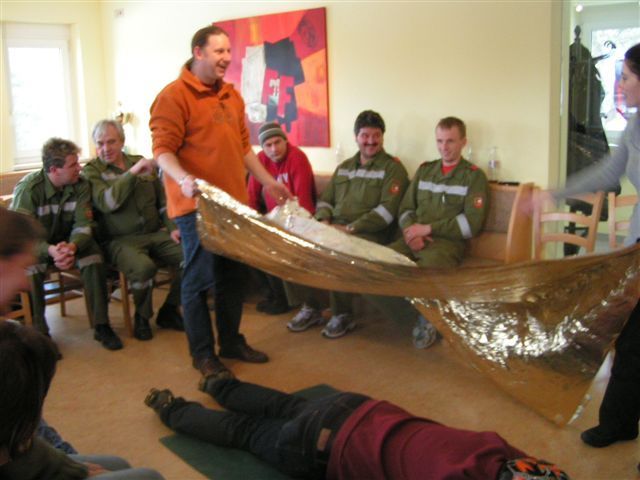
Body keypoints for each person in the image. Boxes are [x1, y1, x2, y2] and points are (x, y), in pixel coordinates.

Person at [149, 25, 291, 385]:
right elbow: (162, 151)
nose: (227, 58)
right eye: (219, 51)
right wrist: (183, 178)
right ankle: (203, 355)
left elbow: (244, 148)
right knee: (199, 281)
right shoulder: (173, 96)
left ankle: (230, 342)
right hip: (195, 207)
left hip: (232, 206)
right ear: (198, 52)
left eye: (229, 51)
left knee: (233, 278)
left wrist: (269, 181)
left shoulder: (231, 95)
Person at [0, 208, 163, 479]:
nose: (25, 283)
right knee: (148, 477)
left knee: (117, 464)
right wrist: (70, 470)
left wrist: (67, 462)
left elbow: (26, 429)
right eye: (21, 267)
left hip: (22, 458)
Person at [144, 378, 569, 480]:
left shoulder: (496, 448)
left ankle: (219, 384)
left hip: (359, 408)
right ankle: (170, 408)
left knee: (283, 404)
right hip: (326, 445)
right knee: (248, 432)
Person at [548, 43, 640, 449]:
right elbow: (609, 170)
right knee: (631, 340)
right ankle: (620, 422)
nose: (620, 84)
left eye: (627, 77)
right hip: (637, 249)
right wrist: (556, 192)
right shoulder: (635, 126)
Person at [365, 117, 489, 349]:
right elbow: (405, 209)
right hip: (412, 237)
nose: (444, 147)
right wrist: (412, 233)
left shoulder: (473, 176)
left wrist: (429, 229)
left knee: (423, 275)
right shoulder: (425, 171)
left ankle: (427, 319)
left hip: (446, 245)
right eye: (440, 141)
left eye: (450, 141)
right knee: (372, 267)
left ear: (463, 142)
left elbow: (471, 224)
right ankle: (420, 318)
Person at [287, 110, 409, 339]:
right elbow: (326, 200)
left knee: (339, 250)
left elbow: (386, 212)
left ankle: (342, 314)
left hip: (369, 233)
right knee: (294, 246)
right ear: (356, 137)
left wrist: (349, 229)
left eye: (376, 135)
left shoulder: (393, 168)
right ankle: (311, 307)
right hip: (334, 228)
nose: (371, 141)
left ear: (383, 137)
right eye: (365, 135)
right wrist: (323, 221)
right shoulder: (344, 167)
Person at [10, 138, 123, 351]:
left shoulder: (81, 185)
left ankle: (102, 325)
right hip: (39, 246)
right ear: (54, 169)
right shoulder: (30, 189)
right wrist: (51, 250)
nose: (79, 168)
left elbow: (84, 224)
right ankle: (40, 334)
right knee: (31, 268)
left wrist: (72, 247)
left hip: (70, 243)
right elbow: (23, 237)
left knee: (94, 258)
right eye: (73, 165)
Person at [83, 119, 184, 341]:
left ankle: (169, 309)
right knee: (144, 268)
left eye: (111, 142)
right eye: (100, 143)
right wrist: (132, 173)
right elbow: (108, 203)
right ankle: (142, 317)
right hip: (119, 240)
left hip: (154, 233)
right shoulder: (92, 172)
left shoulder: (138, 161)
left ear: (122, 142)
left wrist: (172, 228)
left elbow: (162, 202)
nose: (105, 148)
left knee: (192, 257)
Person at [247, 121, 317, 315]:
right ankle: (272, 295)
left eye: (277, 142)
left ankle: (283, 300)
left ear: (286, 141)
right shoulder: (260, 160)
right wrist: (251, 224)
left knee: (274, 247)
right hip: (274, 220)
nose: (274, 149)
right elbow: (251, 196)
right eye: (268, 145)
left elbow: (303, 203)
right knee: (248, 247)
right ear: (262, 147)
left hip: (300, 220)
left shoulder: (297, 158)